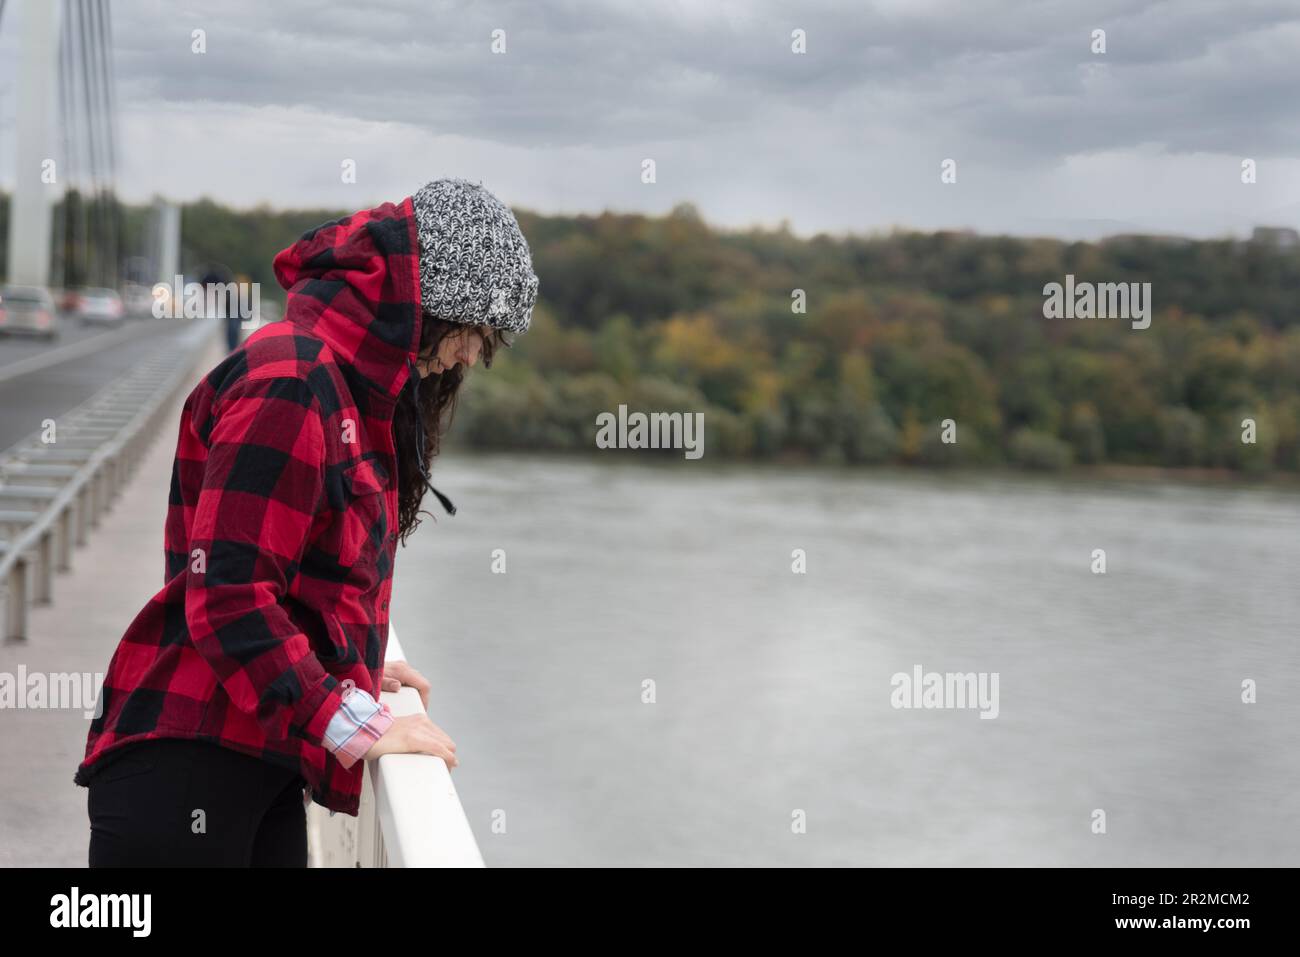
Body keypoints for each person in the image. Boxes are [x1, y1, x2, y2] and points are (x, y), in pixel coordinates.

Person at [74, 179, 539, 867]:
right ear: (435, 305)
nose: (472, 356)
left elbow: (293, 569)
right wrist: (353, 721)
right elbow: (230, 596)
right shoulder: (292, 381)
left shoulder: (344, 383)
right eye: (476, 332)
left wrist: (344, 658)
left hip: (250, 762)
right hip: (184, 771)